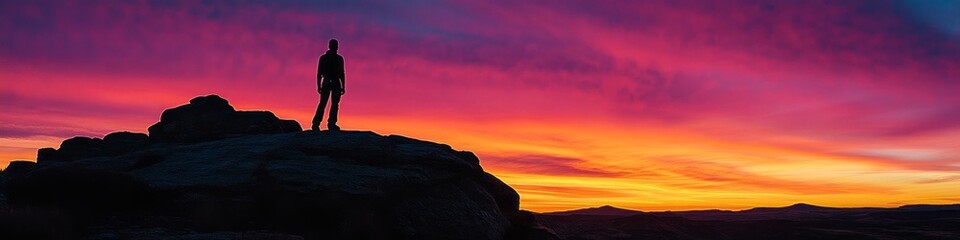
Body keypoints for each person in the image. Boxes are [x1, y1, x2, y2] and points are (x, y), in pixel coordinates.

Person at [312, 38, 346, 131]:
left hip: (335, 82)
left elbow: (342, 73)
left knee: (334, 104)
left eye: (336, 46)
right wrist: (318, 86)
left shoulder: (339, 58)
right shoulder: (323, 58)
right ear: (330, 46)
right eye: (334, 45)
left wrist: (343, 85)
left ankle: (331, 123)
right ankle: (316, 124)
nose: (336, 47)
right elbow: (319, 73)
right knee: (323, 103)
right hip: (327, 81)